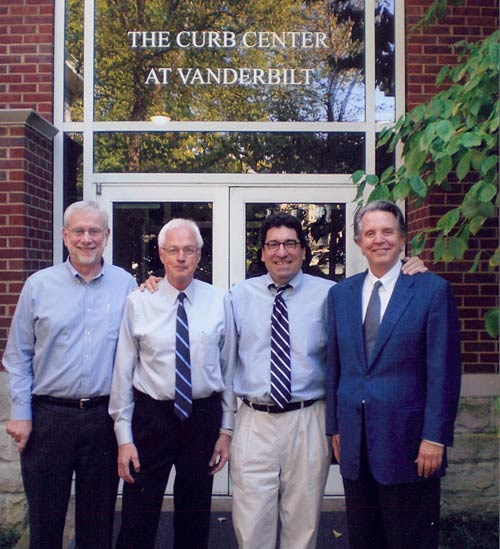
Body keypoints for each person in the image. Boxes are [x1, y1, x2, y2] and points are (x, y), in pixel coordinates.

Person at [227, 211, 427, 549]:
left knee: (303, 523)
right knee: (250, 522)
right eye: (273, 244)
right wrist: (153, 285)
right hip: (254, 420)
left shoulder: (332, 295)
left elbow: (348, 353)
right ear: (261, 252)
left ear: (304, 251)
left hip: (308, 418)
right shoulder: (236, 297)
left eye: (291, 243)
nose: (282, 252)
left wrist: (410, 269)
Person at [326, 200, 461, 549]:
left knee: (409, 540)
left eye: (387, 231)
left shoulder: (431, 291)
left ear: (402, 238)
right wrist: (335, 427)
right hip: (356, 443)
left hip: (410, 443)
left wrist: (435, 437)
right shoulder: (341, 294)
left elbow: (444, 371)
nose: (379, 240)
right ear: (358, 243)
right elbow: (335, 368)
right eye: (370, 233)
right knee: (365, 539)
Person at [2, 200, 137, 549]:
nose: (86, 239)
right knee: (46, 525)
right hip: (49, 419)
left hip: (103, 420)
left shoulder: (127, 285)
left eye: (94, 231)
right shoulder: (38, 286)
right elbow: (18, 356)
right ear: (65, 236)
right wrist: (20, 413)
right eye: (79, 231)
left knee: (98, 525)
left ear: (106, 236)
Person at [109, 218, 235, 549]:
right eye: (173, 250)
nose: (181, 257)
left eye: (189, 250)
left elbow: (228, 369)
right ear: (162, 254)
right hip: (152, 417)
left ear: (199, 255)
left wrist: (226, 431)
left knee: (195, 515)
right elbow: (122, 373)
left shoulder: (219, 301)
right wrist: (124, 438)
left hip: (201, 417)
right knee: (138, 514)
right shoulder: (138, 302)